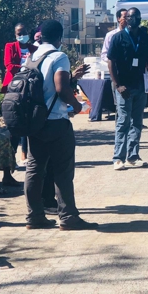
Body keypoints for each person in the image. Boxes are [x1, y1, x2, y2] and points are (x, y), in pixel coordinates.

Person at [24, 19, 97, 230]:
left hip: (35, 122)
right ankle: (68, 217)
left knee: (34, 169)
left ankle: (34, 216)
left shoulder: (31, 57)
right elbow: (61, 88)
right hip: (56, 121)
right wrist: (76, 106)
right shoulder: (59, 56)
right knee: (62, 170)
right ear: (59, 37)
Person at [107, 7, 148, 171]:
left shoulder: (144, 37)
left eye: (136, 16)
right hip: (124, 86)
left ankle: (133, 156)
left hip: (140, 85)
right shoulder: (117, 38)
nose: (133, 19)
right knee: (123, 121)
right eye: (130, 16)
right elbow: (111, 62)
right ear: (125, 19)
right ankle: (118, 158)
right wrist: (117, 84)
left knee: (137, 122)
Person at [2, 23, 38, 164]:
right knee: (15, 122)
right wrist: (26, 66)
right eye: (19, 33)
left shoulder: (34, 49)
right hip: (14, 88)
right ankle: (12, 158)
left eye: (24, 32)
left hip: (29, 89)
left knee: (28, 120)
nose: (22, 35)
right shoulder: (10, 47)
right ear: (15, 35)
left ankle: (27, 154)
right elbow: (9, 65)